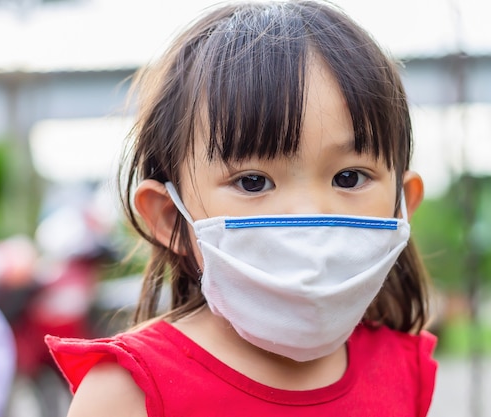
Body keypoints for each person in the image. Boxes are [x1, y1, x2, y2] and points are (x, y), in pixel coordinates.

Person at [45, 1, 438, 415]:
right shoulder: (126, 392)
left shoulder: (404, 367)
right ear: (169, 216)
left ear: (402, 205)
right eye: (253, 181)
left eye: (349, 177)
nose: (307, 215)